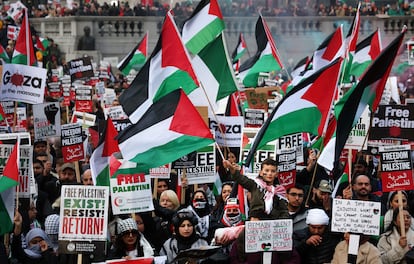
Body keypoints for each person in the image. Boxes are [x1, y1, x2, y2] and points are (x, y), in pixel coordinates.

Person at [223, 158, 289, 220]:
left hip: (273, 223)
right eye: (267, 170)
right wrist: (231, 167)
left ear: (276, 174)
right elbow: (240, 178)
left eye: (273, 171)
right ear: (260, 173)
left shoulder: (280, 191)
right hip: (256, 221)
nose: (269, 173)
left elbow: (284, 211)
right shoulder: (255, 185)